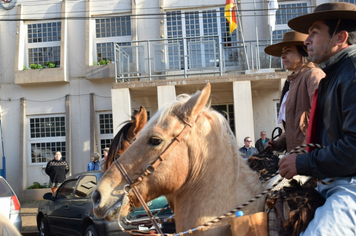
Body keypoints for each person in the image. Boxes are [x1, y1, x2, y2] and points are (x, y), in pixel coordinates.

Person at [278, 2, 356, 235]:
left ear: (340, 37)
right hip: (327, 179)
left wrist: (302, 162)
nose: (306, 41)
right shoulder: (333, 74)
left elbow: (354, 148)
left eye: (314, 33)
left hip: (349, 185)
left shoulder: (352, 71)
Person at [264, 31, 325, 152]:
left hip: (311, 157)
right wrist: (280, 143)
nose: (282, 56)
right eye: (282, 52)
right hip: (297, 158)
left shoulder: (313, 75)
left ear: (303, 51)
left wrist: (302, 152)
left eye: (288, 51)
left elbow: (323, 118)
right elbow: (294, 129)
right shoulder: (290, 82)